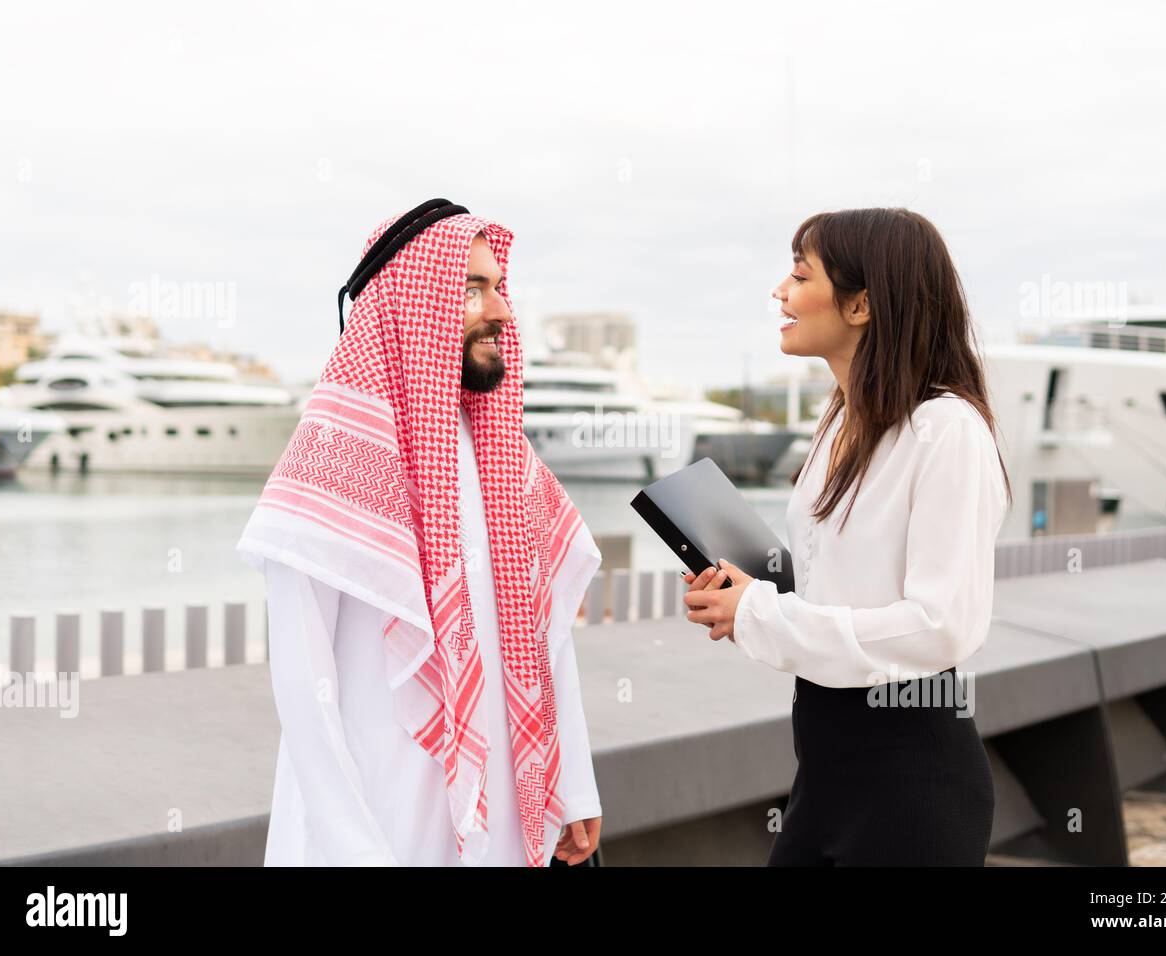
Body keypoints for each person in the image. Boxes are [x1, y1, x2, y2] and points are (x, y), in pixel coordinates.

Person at [236, 204, 604, 867]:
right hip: (373, 824)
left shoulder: (505, 459)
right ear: (411, 304)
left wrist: (571, 781)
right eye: (472, 290)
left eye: (499, 288)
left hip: (502, 818)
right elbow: (301, 678)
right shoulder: (336, 456)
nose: (501, 313)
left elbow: (545, 628)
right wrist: (354, 848)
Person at [682, 207, 1012, 866]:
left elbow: (941, 626)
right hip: (825, 767)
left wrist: (764, 616)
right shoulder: (839, 423)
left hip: (912, 781)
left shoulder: (947, 431)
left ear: (861, 305)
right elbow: (837, 586)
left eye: (800, 275)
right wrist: (748, 595)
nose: (780, 291)